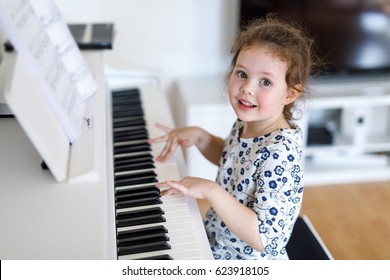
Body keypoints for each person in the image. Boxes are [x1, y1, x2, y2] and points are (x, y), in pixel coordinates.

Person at [148, 14, 317, 260]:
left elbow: (266, 240)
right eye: (242, 74)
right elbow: (234, 161)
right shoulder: (249, 122)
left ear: (290, 94)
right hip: (217, 239)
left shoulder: (280, 153)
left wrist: (211, 191)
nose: (247, 88)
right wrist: (202, 138)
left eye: (266, 82)